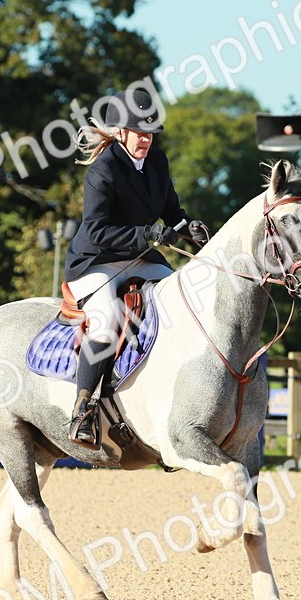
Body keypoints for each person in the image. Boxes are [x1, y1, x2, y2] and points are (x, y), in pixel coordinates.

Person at [65, 88, 209, 445]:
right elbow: (97, 230)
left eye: (150, 132)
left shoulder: (157, 162)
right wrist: (147, 232)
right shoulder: (104, 169)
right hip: (96, 261)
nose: (146, 138)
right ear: (120, 132)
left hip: (139, 257)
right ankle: (82, 410)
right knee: (107, 317)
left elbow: (172, 211)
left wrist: (188, 227)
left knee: (182, 297)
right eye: (139, 131)